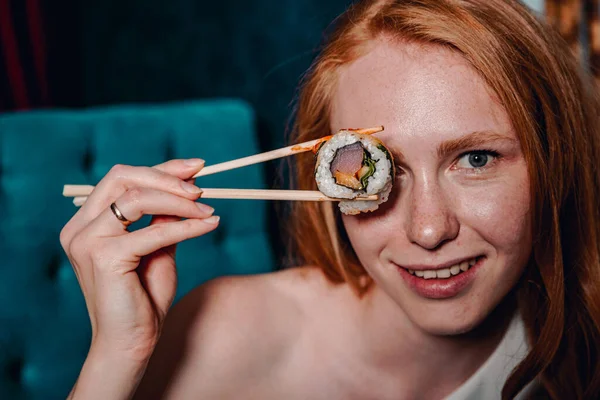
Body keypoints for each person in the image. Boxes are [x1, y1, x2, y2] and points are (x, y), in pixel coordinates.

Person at [59, 0, 600, 398]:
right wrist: (116, 359)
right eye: (382, 169)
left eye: (476, 159)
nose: (428, 230)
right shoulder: (222, 334)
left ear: (553, 159)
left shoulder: (581, 338)